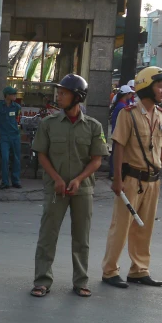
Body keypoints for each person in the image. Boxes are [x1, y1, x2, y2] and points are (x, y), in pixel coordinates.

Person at [30, 74, 107, 298]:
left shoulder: (93, 126)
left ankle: (81, 281)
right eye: (59, 92)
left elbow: (97, 160)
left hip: (83, 190)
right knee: (47, 236)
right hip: (55, 189)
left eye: (63, 93)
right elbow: (42, 155)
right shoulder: (48, 124)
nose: (59, 96)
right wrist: (56, 178)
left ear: (77, 97)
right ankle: (42, 281)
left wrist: (79, 179)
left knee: (81, 238)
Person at [102, 66, 162, 289]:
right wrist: (117, 179)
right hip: (131, 179)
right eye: (159, 86)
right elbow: (119, 146)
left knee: (145, 228)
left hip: (153, 180)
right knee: (121, 227)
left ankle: (139, 270)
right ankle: (110, 271)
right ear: (146, 87)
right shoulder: (128, 114)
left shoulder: (160, 115)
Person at [0, 85, 23, 189]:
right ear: (7, 95)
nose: (15, 96)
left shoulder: (17, 107)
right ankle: (5, 182)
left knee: (16, 159)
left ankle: (15, 181)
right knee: (5, 158)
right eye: (13, 94)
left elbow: (18, 120)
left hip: (15, 135)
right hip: (4, 136)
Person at [109, 85, 135, 178]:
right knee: (116, 154)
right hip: (119, 133)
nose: (131, 95)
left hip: (116, 132)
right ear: (127, 94)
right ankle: (113, 173)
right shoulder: (122, 106)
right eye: (131, 93)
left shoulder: (120, 104)